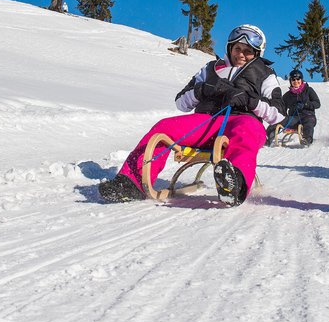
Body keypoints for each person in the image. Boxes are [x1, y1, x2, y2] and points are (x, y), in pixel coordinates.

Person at [98, 24, 287, 206]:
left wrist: (249, 101)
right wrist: (202, 90)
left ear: (256, 53)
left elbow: (278, 114)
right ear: (230, 47)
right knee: (164, 127)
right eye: (238, 48)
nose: (241, 55)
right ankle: (131, 181)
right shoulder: (210, 69)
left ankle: (234, 185)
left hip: (241, 121)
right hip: (207, 122)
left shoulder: (265, 74)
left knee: (248, 131)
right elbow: (181, 103)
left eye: (248, 51)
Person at [268, 69, 321, 146]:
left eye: (298, 79)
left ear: (301, 80)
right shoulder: (287, 95)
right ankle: (267, 138)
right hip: (294, 118)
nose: (296, 81)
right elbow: (282, 108)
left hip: (308, 116)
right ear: (290, 81)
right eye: (293, 79)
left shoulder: (308, 90)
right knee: (278, 121)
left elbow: (317, 104)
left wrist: (305, 104)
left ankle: (307, 139)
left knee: (308, 123)